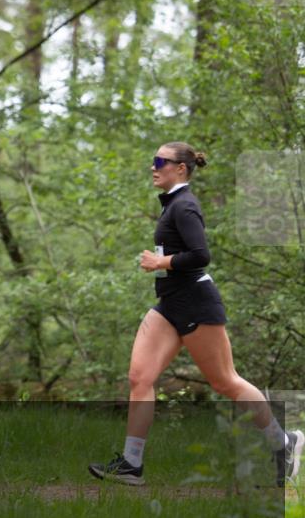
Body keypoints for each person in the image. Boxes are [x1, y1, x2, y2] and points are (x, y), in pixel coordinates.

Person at [89, 142, 303, 486]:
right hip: (170, 303)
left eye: (160, 160)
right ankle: (131, 463)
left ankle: (283, 443)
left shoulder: (184, 206)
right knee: (139, 378)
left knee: (225, 382)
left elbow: (201, 254)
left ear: (181, 168)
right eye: (153, 159)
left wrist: (161, 262)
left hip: (195, 302)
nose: (153, 166)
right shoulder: (172, 204)